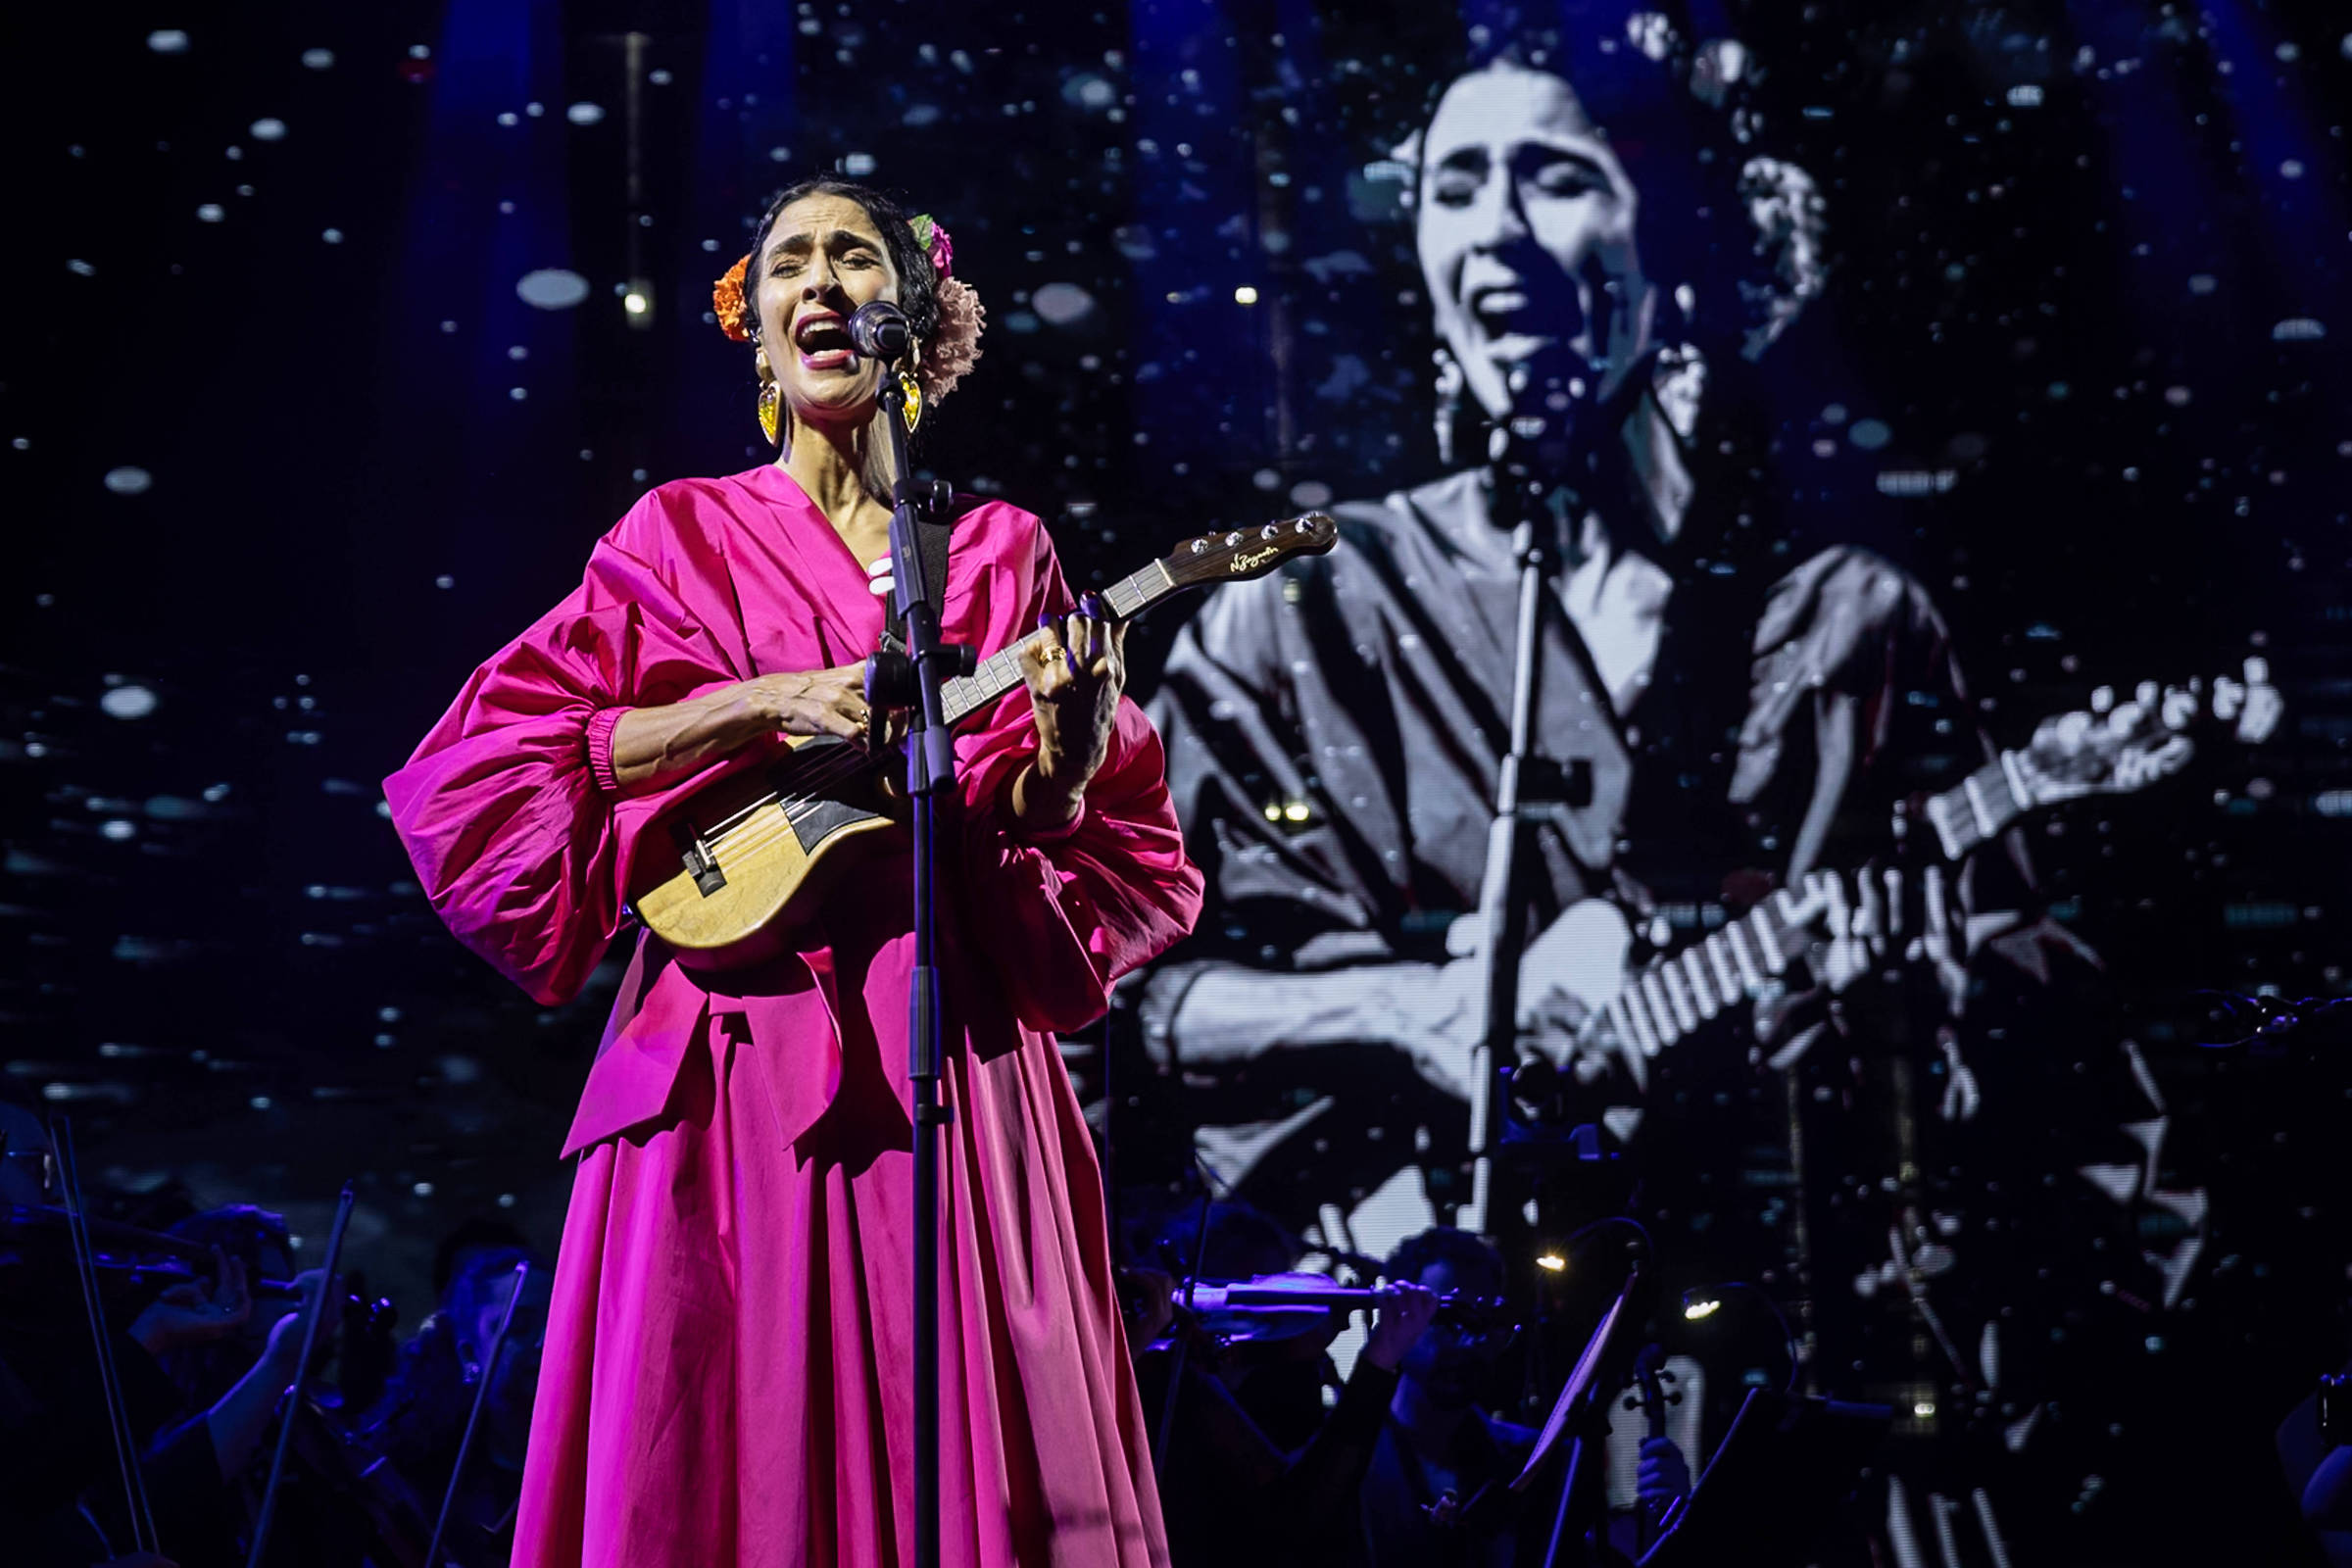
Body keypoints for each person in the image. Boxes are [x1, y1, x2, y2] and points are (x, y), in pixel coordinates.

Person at [385, 175, 1203, 1566]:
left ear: (917, 318)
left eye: (854, 258)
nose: (819, 283)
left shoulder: (999, 554)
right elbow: (495, 762)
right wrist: (755, 704)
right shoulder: (674, 536)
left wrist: (1063, 756)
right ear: (756, 327)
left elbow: (1075, 827)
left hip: (944, 1056)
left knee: (958, 1442)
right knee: (709, 1439)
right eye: (790, 265)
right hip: (723, 1067)